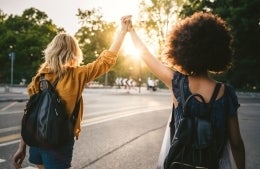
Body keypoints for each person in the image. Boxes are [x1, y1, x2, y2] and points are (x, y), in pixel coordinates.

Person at [127, 12, 245, 169]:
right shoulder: (226, 92)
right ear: (218, 50)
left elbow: (147, 57)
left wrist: (131, 31)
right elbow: (236, 142)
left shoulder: (177, 82)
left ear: (182, 49)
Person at [12, 15, 131, 169]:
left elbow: (28, 114)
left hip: (36, 141)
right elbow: (105, 61)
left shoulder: (39, 78)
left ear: (51, 51)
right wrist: (122, 32)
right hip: (59, 142)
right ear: (74, 52)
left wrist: (21, 147)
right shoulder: (77, 75)